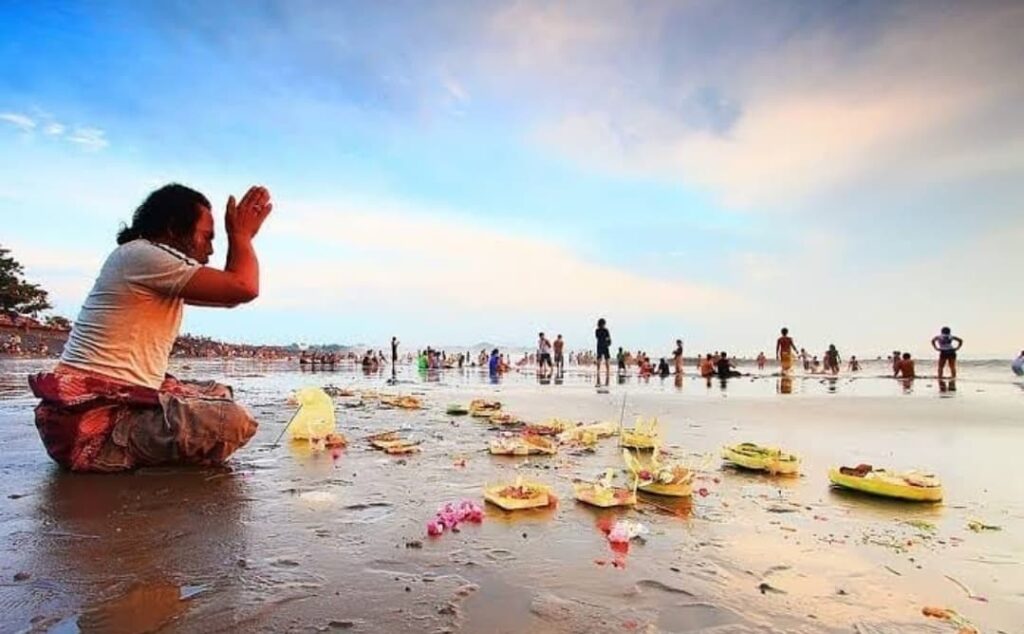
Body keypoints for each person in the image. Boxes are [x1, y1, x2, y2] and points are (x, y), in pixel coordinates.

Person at [28, 183, 269, 472]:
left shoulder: (140, 259)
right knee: (230, 421)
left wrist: (240, 238)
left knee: (217, 392)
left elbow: (230, 296)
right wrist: (241, 236)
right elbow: (242, 287)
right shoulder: (142, 255)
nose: (211, 249)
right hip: (90, 428)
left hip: (104, 412)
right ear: (172, 229)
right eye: (206, 237)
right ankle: (126, 455)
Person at [595, 318, 611, 385]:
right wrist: (609, 343)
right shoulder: (606, 330)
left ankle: (598, 370)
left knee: (599, 358)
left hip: (599, 345)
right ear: (604, 323)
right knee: (607, 358)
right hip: (605, 345)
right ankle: (607, 371)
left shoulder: (597, 330)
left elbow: (596, 337)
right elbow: (608, 338)